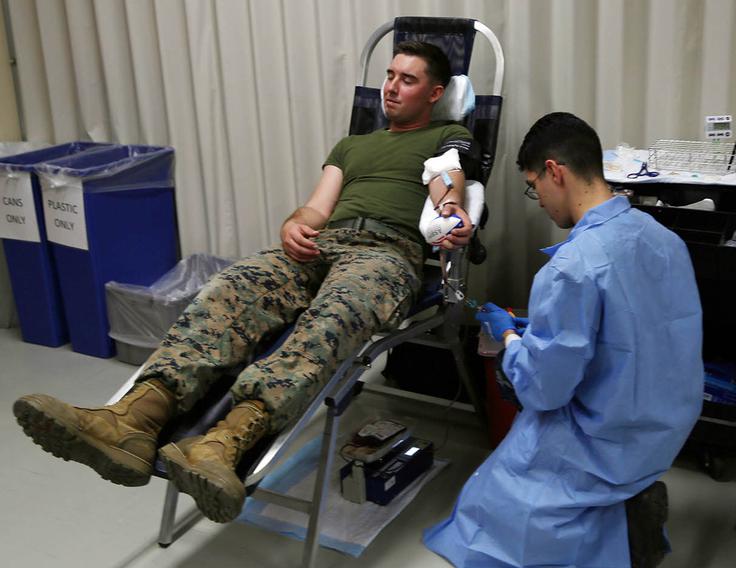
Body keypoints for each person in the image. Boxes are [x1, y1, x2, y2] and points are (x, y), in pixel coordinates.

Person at [13, 40, 480, 524]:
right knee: (230, 288)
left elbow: (447, 187)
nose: (391, 87)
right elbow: (316, 207)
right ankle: (134, 418)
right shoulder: (353, 145)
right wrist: (293, 224)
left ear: (434, 93)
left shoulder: (445, 136)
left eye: (408, 79)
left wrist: (451, 213)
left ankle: (223, 443)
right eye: (389, 75)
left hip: (385, 255)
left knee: (333, 319)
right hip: (319, 244)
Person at [423, 112, 704, 567]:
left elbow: (543, 390)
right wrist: (543, 332)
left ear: (555, 171)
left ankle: (617, 524)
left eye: (534, 186)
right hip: (662, 431)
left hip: (604, 440)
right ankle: (631, 502)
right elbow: (635, 331)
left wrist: (512, 338)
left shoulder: (570, 269)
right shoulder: (664, 240)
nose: (538, 201)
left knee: (482, 506)